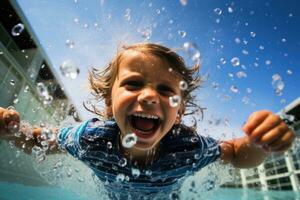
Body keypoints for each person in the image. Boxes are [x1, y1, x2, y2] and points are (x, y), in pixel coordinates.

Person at [0, 43, 295, 199]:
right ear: (108, 102)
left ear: (178, 113)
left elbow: (235, 154)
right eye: (133, 84)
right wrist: (14, 130)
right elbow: (40, 140)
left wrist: (258, 143)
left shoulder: (186, 147)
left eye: (166, 90)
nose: (150, 96)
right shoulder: (90, 139)